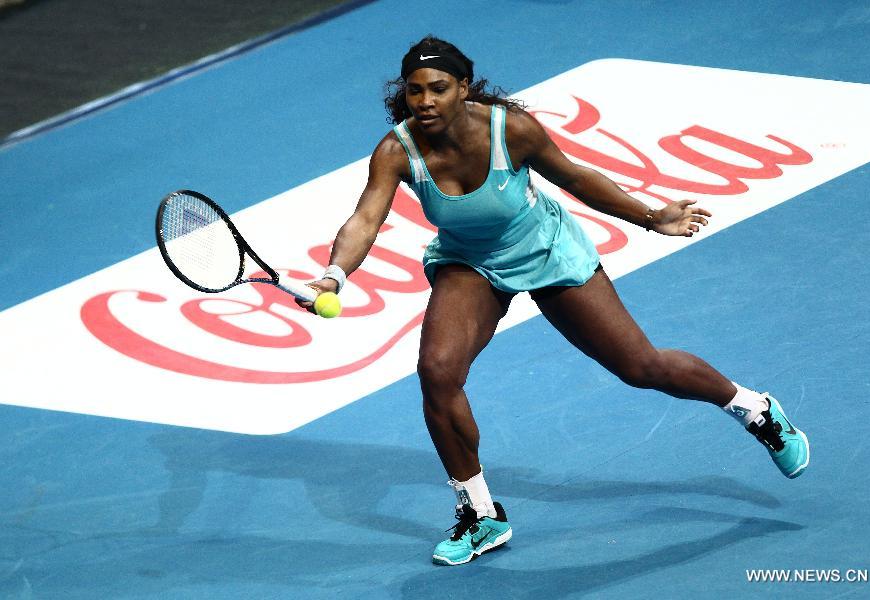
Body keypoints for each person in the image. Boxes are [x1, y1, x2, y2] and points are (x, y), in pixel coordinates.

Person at [298, 35, 809, 566]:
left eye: (439, 88)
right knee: (437, 371)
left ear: (464, 88)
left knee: (642, 366)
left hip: (544, 249)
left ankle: (753, 409)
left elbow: (576, 178)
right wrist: (333, 275)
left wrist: (652, 217)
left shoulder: (509, 131)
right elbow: (365, 218)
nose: (425, 101)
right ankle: (480, 514)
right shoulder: (396, 151)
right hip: (469, 261)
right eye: (415, 90)